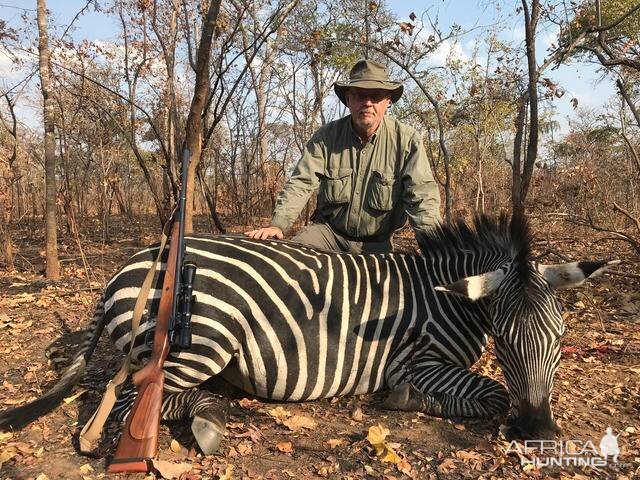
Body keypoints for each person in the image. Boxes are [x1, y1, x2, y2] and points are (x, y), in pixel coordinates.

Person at [245, 59, 441, 253]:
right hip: (329, 235)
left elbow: (422, 197)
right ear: (348, 99)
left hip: (378, 243)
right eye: (359, 95)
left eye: (376, 96)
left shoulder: (407, 141)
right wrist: (277, 224)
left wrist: (434, 244)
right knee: (292, 256)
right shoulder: (326, 137)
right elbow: (302, 183)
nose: (367, 103)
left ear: (388, 101)